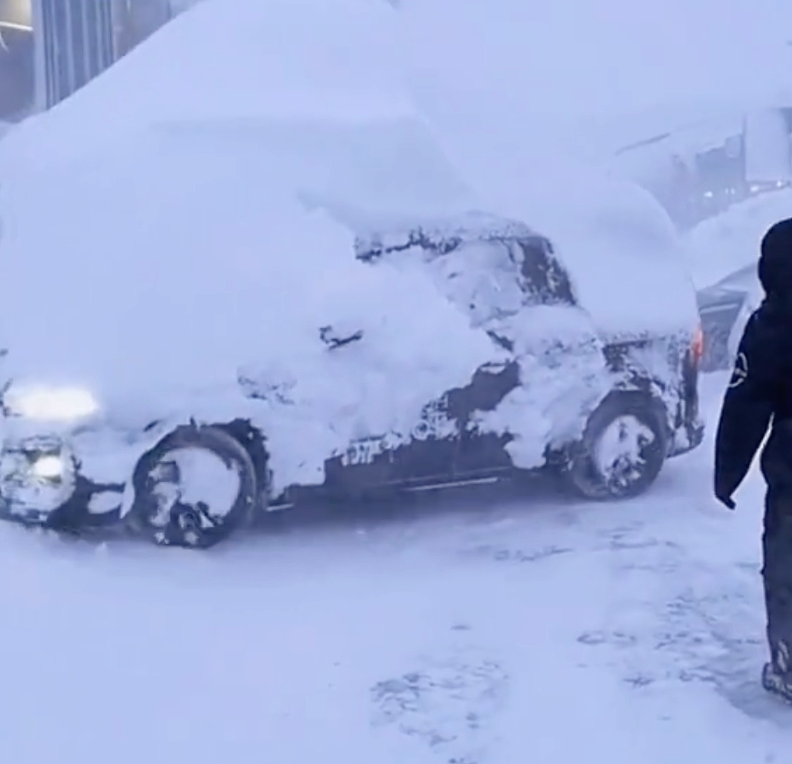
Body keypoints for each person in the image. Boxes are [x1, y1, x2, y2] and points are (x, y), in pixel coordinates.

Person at [714, 216, 792, 701]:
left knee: (787, 564)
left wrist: (727, 476)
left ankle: (788, 662)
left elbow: (745, 406)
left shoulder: (771, 327)